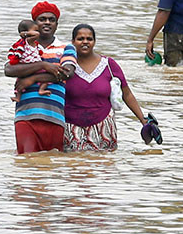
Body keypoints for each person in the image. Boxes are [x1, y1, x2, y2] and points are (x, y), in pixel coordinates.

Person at [63, 24, 153, 152]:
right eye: (80, 39)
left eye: (89, 39)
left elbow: (127, 94)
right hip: (72, 127)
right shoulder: (65, 66)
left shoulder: (109, 65)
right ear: (73, 42)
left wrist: (143, 120)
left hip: (104, 126)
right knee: (75, 165)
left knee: (104, 166)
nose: (85, 42)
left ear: (94, 42)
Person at [3, 2, 77, 154]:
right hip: (25, 115)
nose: (47, 22)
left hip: (54, 115)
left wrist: (31, 79)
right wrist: (43, 65)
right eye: (42, 19)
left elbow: (67, 73)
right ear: (34, 24)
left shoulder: (66, 48)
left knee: (51, 166)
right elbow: (9, 69)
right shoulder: (23, 46)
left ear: (57, 24)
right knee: (28, 163)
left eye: (52, 19)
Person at [6, 20, 53, 99]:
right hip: (28, 65)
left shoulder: (35, 43)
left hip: (34, 64)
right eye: (35, 30)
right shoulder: (27, 41)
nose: (38, 32)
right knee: (19, 82)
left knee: (45, 77)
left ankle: (41, 90)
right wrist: (26, 34)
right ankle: (18, 97)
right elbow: (36, 35)